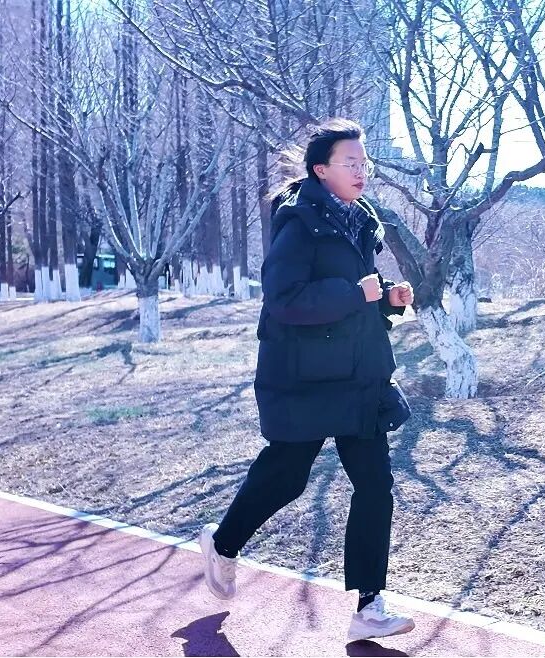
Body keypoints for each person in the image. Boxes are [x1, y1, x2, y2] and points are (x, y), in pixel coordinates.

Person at [199, 118, 415, 642]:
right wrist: (357, 294)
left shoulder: (360, 218)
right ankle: (223, 545)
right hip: (306, 376)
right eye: (350, 163)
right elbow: (285, 300)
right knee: (287, 475)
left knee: (375, 484)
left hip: (358, 373)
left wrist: (386, 297)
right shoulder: (299, 222)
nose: (361, 171)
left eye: (364, 162)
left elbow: (353, 287)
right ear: (321, 170)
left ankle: (369, 605)